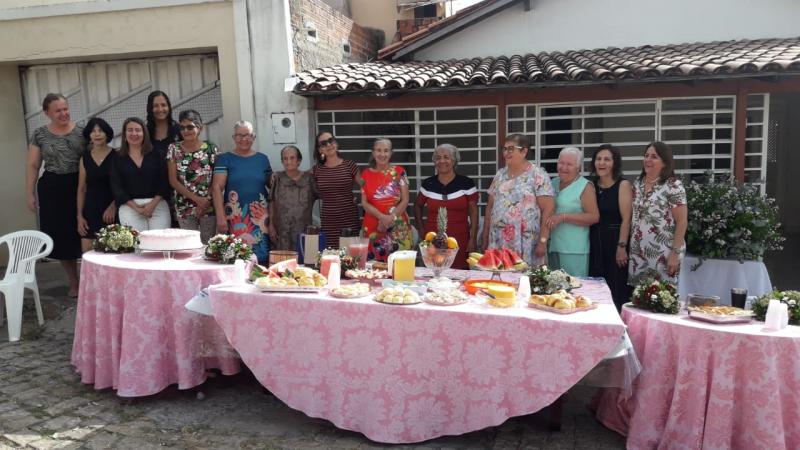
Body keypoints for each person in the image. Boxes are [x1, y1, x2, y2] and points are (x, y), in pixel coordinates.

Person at [26, 93, 83, 297]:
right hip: (53, 189)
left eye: (65, 109)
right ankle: (74, 282)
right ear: (47, 113)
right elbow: (33, 165)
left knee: (85, 234)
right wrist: (30, 193)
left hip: (79, 186)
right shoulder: (39, 134)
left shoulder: (82, 131)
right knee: (62, 238)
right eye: (58, 110)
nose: (63, 113)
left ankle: (90, 281)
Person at [481, 134, 555, 267]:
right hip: (498, 241)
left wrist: (543, 242)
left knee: (525, 278)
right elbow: (490, 207)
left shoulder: (537, 174)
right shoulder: (500, 175)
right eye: (504, 149)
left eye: (511, 149)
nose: (506, 153)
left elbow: (548, 209)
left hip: (526, 242)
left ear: (524, 151)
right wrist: (485, 237)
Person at [211, 121, 272, 263]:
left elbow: (271, 184)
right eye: (239, 135)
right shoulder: (225, 159)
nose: (244, 139)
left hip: (259, 217)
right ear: (234, 137)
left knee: (261, 258)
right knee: (236, 257)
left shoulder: (262, 159)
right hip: (235, 217)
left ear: (254, 137)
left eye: (248, 135)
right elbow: (216, 188)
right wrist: (220, 216)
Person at [628, 141, 688, 286]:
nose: (648, 160)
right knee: (638, 296)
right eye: (646, 155)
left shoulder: (673, 186)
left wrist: (674, 254)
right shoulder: (638, 183)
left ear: (665, 162)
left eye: (654, 157)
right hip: (638, 253)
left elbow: (682, 221)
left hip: (664, 254)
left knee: (661, 296)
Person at [414, 143, 479, 269]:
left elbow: (474, 212)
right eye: (438, 158)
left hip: (460, 239)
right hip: (433, 239)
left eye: (446, 157)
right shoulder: (428, 184)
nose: (442, 161)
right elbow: (417, 205)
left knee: (459, 274)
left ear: (454, 160)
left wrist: (473, 238)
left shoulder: (466, 183)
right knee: (434, 271)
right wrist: (421, 230)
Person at [588, 144, 632, 311]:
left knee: (616, 288)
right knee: (594, 288)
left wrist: (621, 247)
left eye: (607, 159)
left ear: (615, 163)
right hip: (594, 242)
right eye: (598, 159)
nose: (602, 163)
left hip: (615, 242)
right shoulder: (591, 185)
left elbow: (627, 219)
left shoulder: (623, 185)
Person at [545, 147, 600, 277]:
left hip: (574, 249)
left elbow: (594, 217)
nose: (564, 167)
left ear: (578, 167)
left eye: (569, 164)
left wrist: (563, 217)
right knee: (552, 286)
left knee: (574, 286)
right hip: (552, 246)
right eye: (561, 163)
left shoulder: (585, 186)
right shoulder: (553, 183)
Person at [166, 109, 219, 243]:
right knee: (189, 245)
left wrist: (206, 200)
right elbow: (173, 180)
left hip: (208, 205)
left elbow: (217, 179)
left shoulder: (211, 148)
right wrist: (197, 200)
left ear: (200, 128)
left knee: (208, 245)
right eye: (182, 127)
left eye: (190, 127)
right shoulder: (173, 149)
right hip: (184, 206)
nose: (186, 131)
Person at [110, 117, 171, 230]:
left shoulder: (157, 154)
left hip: (157, 205)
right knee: (137, 241)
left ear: (144, 133)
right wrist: (136, 208)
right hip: (130, 208)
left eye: (138, 130)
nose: (134, 133)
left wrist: (152, 205)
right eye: (130, 130)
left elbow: (164, 181)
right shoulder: (117, 158)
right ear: (124, 134)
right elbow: (116, 186)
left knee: (159, 240)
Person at [357, 138, 413, 261]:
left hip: (397, 226)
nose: (382, 154)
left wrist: (390, 218)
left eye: (386, 150)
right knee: (374, 266)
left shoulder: (400, 172)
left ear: (391, 153)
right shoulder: (365, 174)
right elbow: (364, 203)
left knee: (400, 265)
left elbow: (405, 200)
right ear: (373, 153)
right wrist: (382, 217)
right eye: (379, 150)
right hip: (373, 227)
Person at [311, 131, 360, 249]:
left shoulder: (350, 165)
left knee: (351, 255)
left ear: (336, 143)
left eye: (330, 141)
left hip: (349, 220)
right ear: (320, 150)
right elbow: (298, 177)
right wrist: (276, 176)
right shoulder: (316, 170)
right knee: (331, 255)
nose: (328, 145)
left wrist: (360, 198)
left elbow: (367, 186)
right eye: (323, 143)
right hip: (329, 222)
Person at [77, 117, 117, 253]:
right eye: (93, 131)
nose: (97, 134)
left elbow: (124, 186)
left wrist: (114, 206)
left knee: (111, 255)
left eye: (100, 131)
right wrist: (79, 216)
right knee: (88, 254)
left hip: (111, 212)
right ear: (89, 135)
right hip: (90, 211)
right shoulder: (84, 158)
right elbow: (81, 189)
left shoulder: (117, 156)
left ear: (107, 134)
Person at [268, 145, 317, 251]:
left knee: (304, 256)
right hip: (282, 230)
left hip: (303, 229)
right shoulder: (277, 178)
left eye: (292, 158)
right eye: (285, 158)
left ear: (299, 160)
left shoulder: (309, 179)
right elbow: (272, 202)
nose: (288, 161)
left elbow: (323, 195)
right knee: (282, 259)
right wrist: (271, 225)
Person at [146, 90, 179, 160]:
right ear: (150, 108)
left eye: (163, 105)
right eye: (155, 106)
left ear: (169, 107)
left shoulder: (180, 130)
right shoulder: (144, 132)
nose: (160, 109)